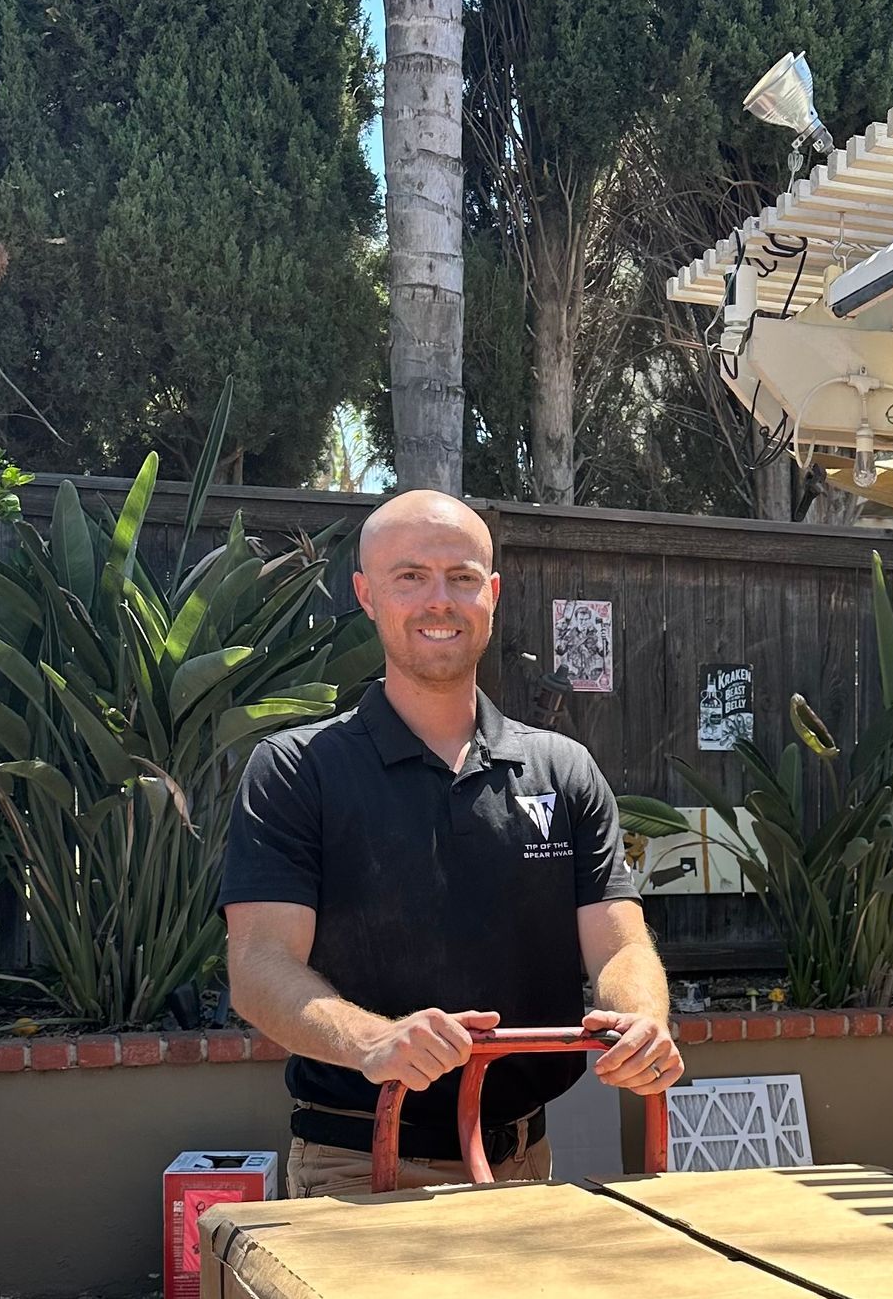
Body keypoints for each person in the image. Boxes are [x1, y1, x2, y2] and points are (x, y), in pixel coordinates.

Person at [222, 490, 682, 1195]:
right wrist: (374, 1041)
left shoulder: (561, 769)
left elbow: (620, 946)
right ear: (366, 595)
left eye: (461, 577)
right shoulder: (296, 770)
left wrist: (643, 1021)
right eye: (410, 576)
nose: (439, 600)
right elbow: (260, 967)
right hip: (360, 1166)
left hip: (527, 1164)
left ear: (491, 594)